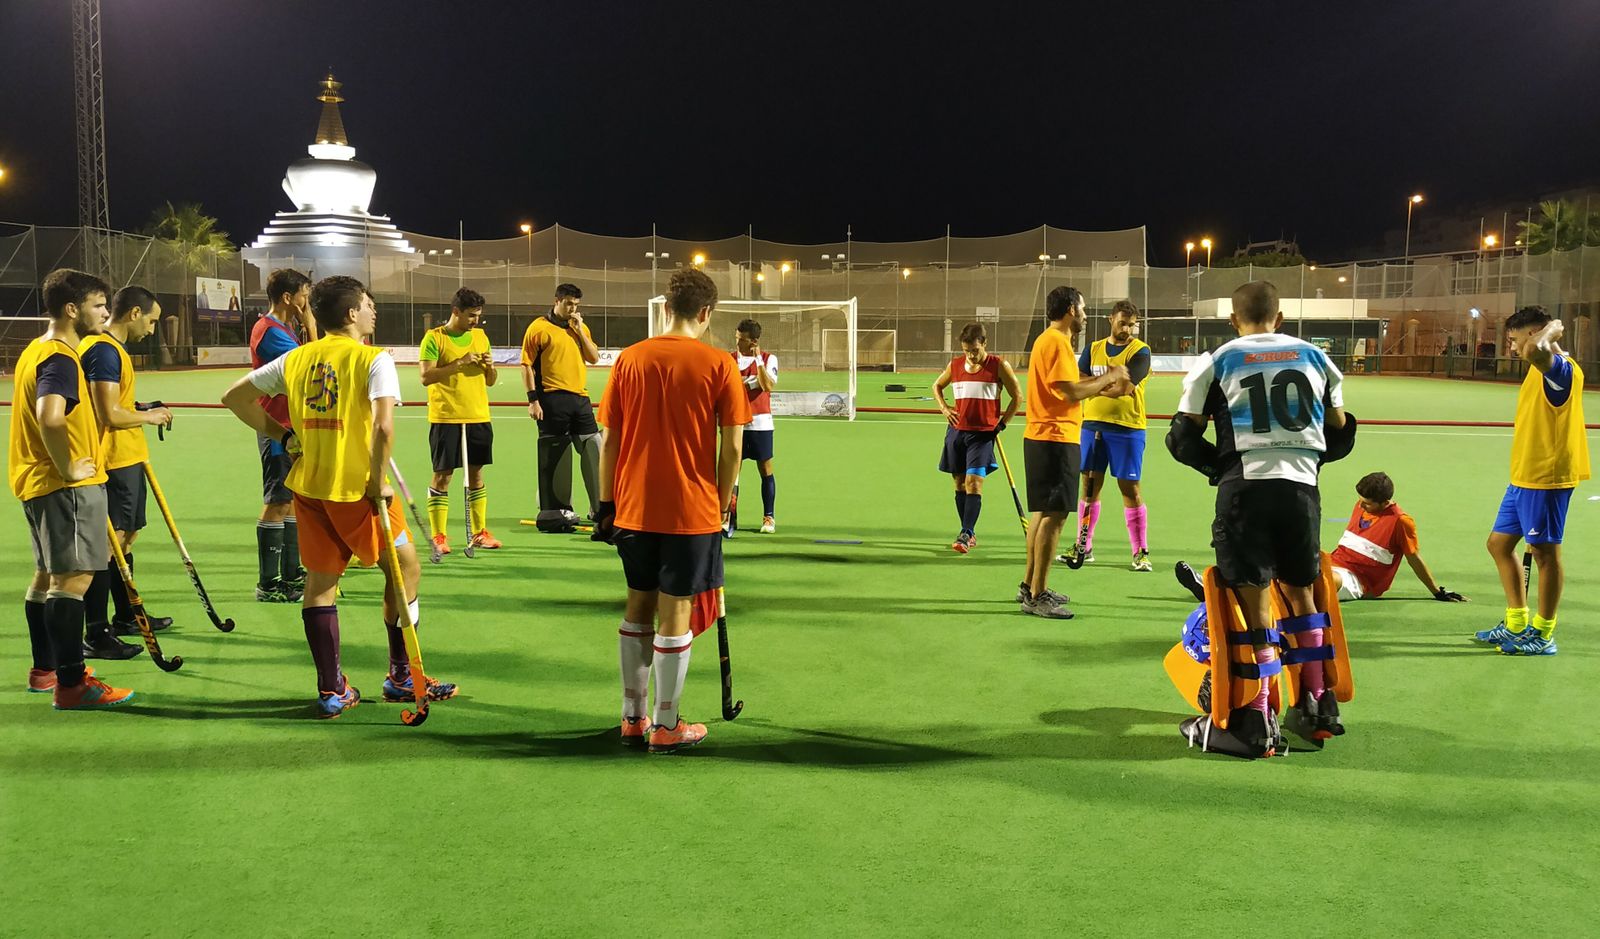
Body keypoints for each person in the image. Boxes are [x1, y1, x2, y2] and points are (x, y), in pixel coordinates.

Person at [222, 275, 457, 717]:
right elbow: (384, 426)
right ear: (351, 313)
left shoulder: (296, 358)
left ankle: (332, 690)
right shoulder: (375, 360)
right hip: (356, 491)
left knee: (321, 584)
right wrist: (375, 481)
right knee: (405, 569)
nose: (373, 312)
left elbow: (234, 397)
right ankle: (402, 677)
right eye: (368, 305)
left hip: (309, 486)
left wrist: (283, 433)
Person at [1167, 280, 1353, 756]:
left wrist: (1221, 469)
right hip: (1301, 493)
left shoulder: (1217, 359)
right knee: (1304, 593)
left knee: (1255, 611)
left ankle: (1257, 719)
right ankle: (1316, 704)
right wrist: (1306, 464)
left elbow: (1182, 440)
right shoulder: (1315, 358)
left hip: (1244, 492)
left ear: (1233, 319)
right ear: (1281, 317)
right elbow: (1341, 433)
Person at [592, 268, 750, 753]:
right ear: (706, 313)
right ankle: (666, 725)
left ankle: (632, 717)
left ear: (665, 308)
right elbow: (733, 448)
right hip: (691, 509)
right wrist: (722, 503)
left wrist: (605, 503)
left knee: (638, 602)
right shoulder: (719, 364)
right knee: (675, 609)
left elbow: (609, 441)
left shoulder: (629, 360)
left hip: (631, 506)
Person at [10, 268, 135, 708]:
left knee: (47, 577)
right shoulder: (61, 356)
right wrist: (69, 466)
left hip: (37, 483)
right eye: (98, 305)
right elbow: (50, 415)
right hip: (63, 486)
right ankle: (71, 684)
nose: (104, 313)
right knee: (73, 580)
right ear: (71, 309)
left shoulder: (36, 349)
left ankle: (45, 671)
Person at [1474, 307, 1589, 656]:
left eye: (1513, 339)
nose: (1511, 348)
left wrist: (1552, 328)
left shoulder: (1560, 369)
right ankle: (1516, 621)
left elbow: (1534, 351)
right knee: (1498, 544)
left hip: (1547, 477)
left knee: (1545, 555)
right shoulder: (1541, 368)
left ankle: (1544, 632)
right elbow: (1531, 352)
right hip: (1525, 475)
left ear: (1535, 333)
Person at [1018, 287, 1128, 618]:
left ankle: (1030, 586)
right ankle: (1037, 596)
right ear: (1069, 309)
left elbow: (1071, 384)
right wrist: (1109, 377)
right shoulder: (1055, 341)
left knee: (1041, 513)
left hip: (1043, 436)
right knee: (1055, 515)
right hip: (1055, 438)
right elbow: (1069, 392)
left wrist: (1104, 386)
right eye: (1081, 308)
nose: (1084, 313)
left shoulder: (1050, 341)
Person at [78, 285, 175, 659]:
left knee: (126, 537)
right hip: (112, 459)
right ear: (134, 314)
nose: (151, 330)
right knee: (109, 545)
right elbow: (108, 414)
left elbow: (117, 403)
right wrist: (147, 416)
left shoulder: (111, 351)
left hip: (127, 457)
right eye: (151, 321)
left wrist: (140, 406)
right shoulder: (103, 350)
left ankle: (125, 615)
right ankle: (96, 633)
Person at [1065, 299, 1153, 571]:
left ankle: (1140, 552)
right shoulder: (1093, 349)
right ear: (1110, 319)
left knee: (1130, 489)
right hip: (1092, 426)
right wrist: (1103, 383)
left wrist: (1093, 387)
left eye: (1131, 324)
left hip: (1127, 428)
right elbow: (1077, 379)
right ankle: (1084, 545)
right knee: (1089, 487)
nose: (1127, 328)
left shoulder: (1141, 351)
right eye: (1122, 322)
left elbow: (1124, 388)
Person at [249, 268, 317, 602]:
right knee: (277, 501)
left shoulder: (283, 328)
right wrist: (313, 328)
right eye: (305, 295)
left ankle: (291, 577)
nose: (308, 302)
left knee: (290, 501)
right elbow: (312, 366)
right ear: (288, 297)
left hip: (291, 427)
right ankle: (268, 583)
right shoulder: (270, 331)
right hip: (277, 427)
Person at [420, 287, 500, 553]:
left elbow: (490, 381)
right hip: (446, 417)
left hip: (478, 415)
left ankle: (479, 533)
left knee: (476, 474)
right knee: (442, 476)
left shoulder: (481, 337)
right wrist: (460, 363)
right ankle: (439, 536)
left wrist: (489, 367)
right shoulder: (434, 338)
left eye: (478, 315)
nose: (475, 321)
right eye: (471, 316)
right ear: (456, 312)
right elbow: (426, 377)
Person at [933, 322, 1021, 553]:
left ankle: (965, 533)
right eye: (966, 351)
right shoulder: (956, 365)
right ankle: (968, 531)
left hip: (983, 435)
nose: (970, 356)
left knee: (974, 483)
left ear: (984, 344)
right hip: (956, 432)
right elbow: (937, 386)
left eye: (974, 350)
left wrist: (1002, 424)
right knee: (960, 483)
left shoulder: (998, 365)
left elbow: (1017, 396)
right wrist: (944, 408)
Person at [521, 283, 601, 530]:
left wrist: (580, 332)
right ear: (557, 301)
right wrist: (533, 400)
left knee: (594, 449)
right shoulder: (538, 328)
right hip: (552, 400)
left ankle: (600, 508)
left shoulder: (580, 328)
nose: (572, 308)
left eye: (576, 305)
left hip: (580, 399)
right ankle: (559, 510)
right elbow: (526, 366)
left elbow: (594, 358)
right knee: (557, 456)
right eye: (568, 303)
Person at [1327, 471, 1466, 602]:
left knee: (1322, 582)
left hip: (1358, 579)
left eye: (1367, 503)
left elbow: (1414, 559)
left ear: (1385, 502)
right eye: (1360, 500)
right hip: (1331, 563)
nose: (1361, 505)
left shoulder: (1401, 522)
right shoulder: (1361, 505)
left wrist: (1437, 591)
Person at [732, 318, 780, 534]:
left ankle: (769, 517)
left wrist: (758, 358)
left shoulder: (769, 360)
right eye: (736, 338)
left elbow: (767, 384)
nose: (737, 343)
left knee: (765, 469)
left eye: (741, 340)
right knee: (732, 472)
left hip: (761, 424)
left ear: (753, 342)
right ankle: (728, 517)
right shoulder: (728, 360)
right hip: (735, 424)